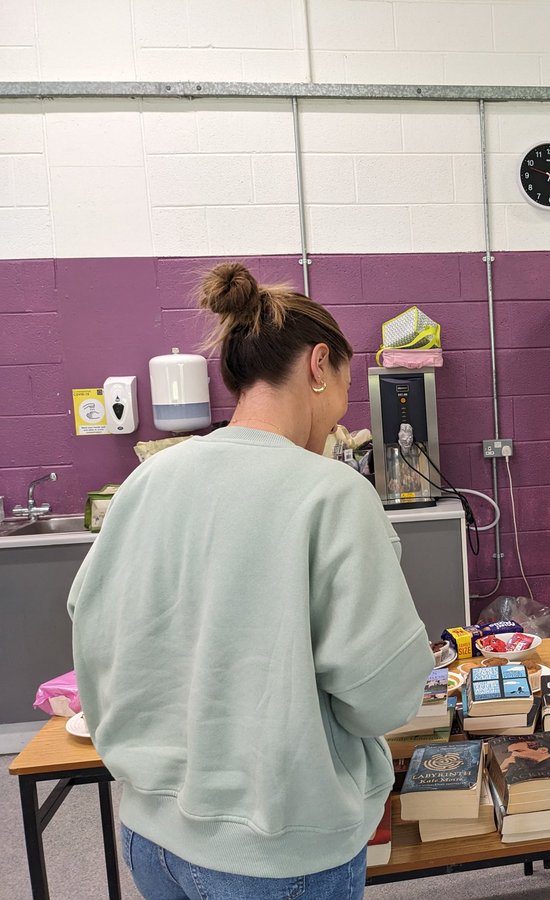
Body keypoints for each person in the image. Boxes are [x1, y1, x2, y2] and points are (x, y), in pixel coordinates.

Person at [69, 262, 435, 899]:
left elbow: (94, 626)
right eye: (347, 387)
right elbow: (382, 694)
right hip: (276, 851)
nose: (340, 414)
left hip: (151, 835)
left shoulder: (151, 480)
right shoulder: (333, 494)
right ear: (319, 365)